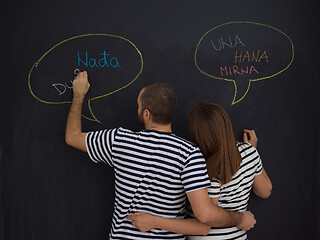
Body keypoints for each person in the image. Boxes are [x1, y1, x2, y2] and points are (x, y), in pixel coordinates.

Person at [65, 72, 256, 240]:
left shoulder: (118, 140)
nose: (137, 109)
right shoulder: (190, 154)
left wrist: (79, 95)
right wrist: (239, 217)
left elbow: (72, 137)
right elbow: (204, 222)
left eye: (138, 106)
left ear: (146, 114)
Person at [127, 101, 272, 239]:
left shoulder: (209, 169)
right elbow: (265, 191)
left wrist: (153, 221)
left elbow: (207, 219)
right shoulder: (250, 152)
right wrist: (253, 152)